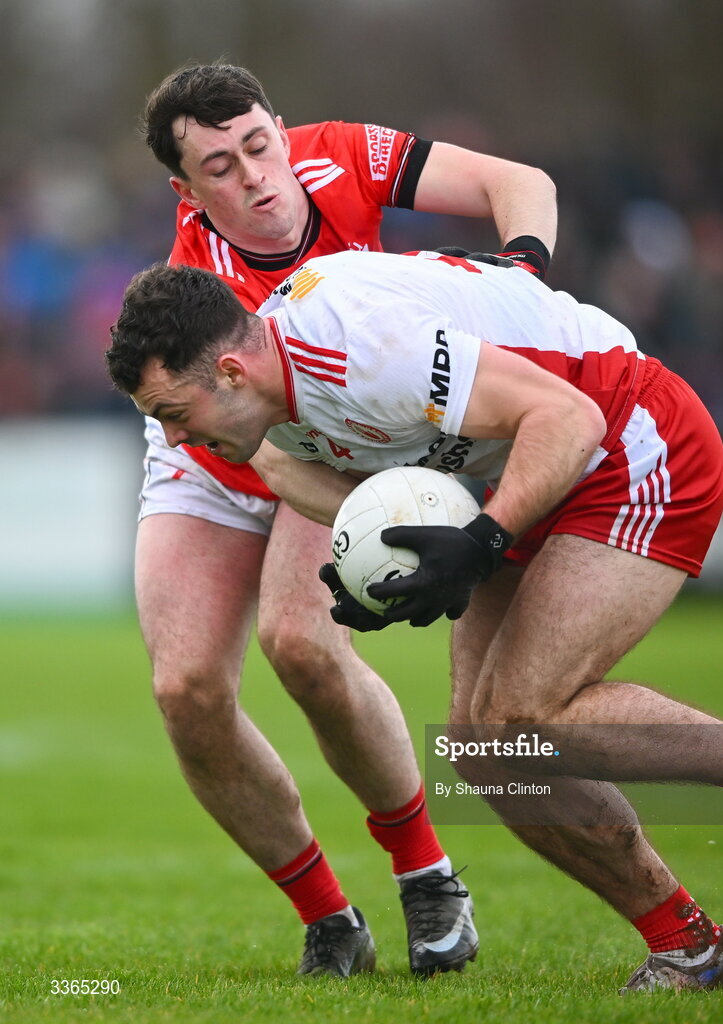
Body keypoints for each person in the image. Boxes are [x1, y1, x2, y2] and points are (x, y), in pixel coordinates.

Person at [105, 249, 723, 995]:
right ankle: (692, 948)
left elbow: (567, 416)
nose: (173, 440)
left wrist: (479, 543)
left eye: (173, 413)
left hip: (627, 436)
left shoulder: (363, 346)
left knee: (522, 714)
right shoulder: (263, 411)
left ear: (232, 372)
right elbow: (294, 472)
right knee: (486, 750)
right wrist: (374, 565)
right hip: (527, 470)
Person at [133, 62, 558, 978]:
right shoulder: (194, 292)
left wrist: (521, 270)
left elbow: (518, 184)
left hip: (322, 426)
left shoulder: (340, 156)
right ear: (186, 190)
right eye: (220, 167)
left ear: (280, 129)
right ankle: (329, 917)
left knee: (302, 641)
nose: (255, 177)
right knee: (185, 692)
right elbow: (243, 444)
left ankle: (427, 879)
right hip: (224, 439)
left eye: (259, 145)